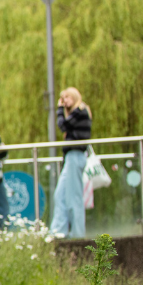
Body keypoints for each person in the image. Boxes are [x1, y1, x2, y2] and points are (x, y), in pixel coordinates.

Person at [50, 87, 92, 238]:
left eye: (67, 97)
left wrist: (60, 109)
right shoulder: (77, 114)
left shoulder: (80, 110)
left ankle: (78, 235)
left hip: (76, 155)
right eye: (63, 98)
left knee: (74, 197)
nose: (64, 101)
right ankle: (58, 231)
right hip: (70, 157)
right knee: (60, 195)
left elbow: (63, 125)